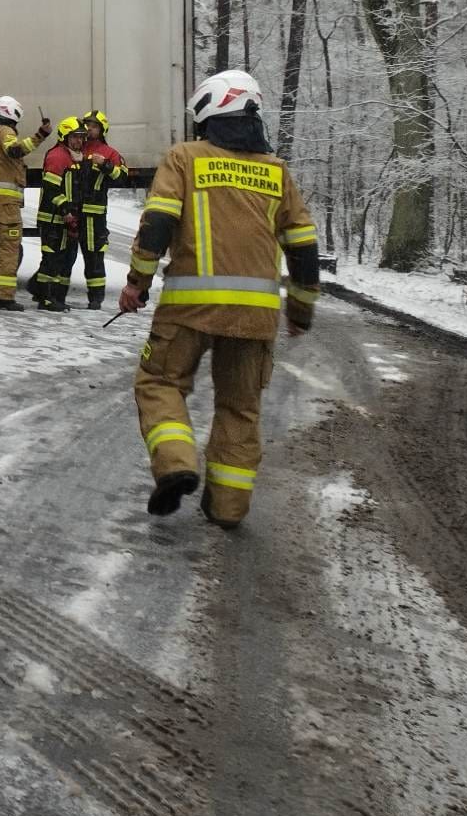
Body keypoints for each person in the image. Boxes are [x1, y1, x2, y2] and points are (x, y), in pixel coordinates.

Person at [119, 69, 321, 527]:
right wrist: (301, 311)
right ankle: (228, 508)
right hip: (256, 318)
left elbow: (158, 223)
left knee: (160, 383)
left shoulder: (185, 158)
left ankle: (176, 464)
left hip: (189, 308)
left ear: (209, 111)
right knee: (240, 408)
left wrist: (137, 283)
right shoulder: (276, 171)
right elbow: (304, 246)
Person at [0, 97, 50, 311]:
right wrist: (40, 135)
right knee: (8, 247)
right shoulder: (5, 131)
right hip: (4, 203)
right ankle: (3, 298)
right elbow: (14, 150)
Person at [32, 117, 88, 312]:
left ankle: (56, 297)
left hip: (67, 218)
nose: (79, 141)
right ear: (65, 137)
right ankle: (45, 299)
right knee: (51, 259)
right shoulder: (57, 156)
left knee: (64, 259)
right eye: (75, 137)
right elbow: (51, 188)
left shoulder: (75, 157)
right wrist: (65, 209)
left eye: (81, 137)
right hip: (52, 218)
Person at [76, 108, 128, 309]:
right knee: (65, 255)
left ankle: (95, 299)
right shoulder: (75, 146)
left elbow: (122, 177)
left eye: (94, 126)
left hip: (94, 215)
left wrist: (105, 165)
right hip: (72, 211)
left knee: (94, 256)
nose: (89, 129)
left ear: (102, 129)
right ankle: (52, 294)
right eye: (87, 125)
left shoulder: (109, 153)